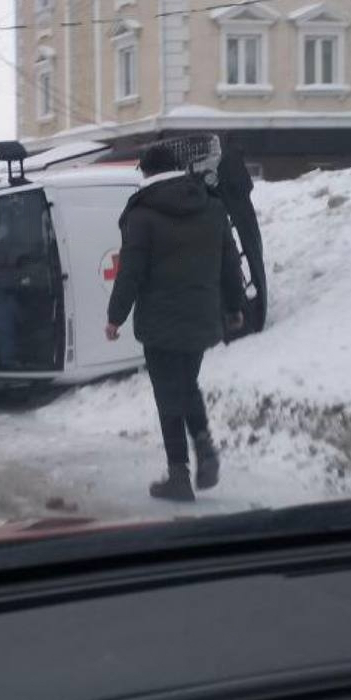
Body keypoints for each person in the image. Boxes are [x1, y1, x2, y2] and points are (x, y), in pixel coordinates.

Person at [105, 144, 245, 502]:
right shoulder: (211, 206)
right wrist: (234, 306)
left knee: (168, 393)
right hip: (201, 315)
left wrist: (115, 317)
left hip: (160, 321)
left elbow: (131, 270)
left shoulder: (144, 214)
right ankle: (204, 445)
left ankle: (179, 475)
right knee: (186, 384)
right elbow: (229, 260)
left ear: (147, 173)